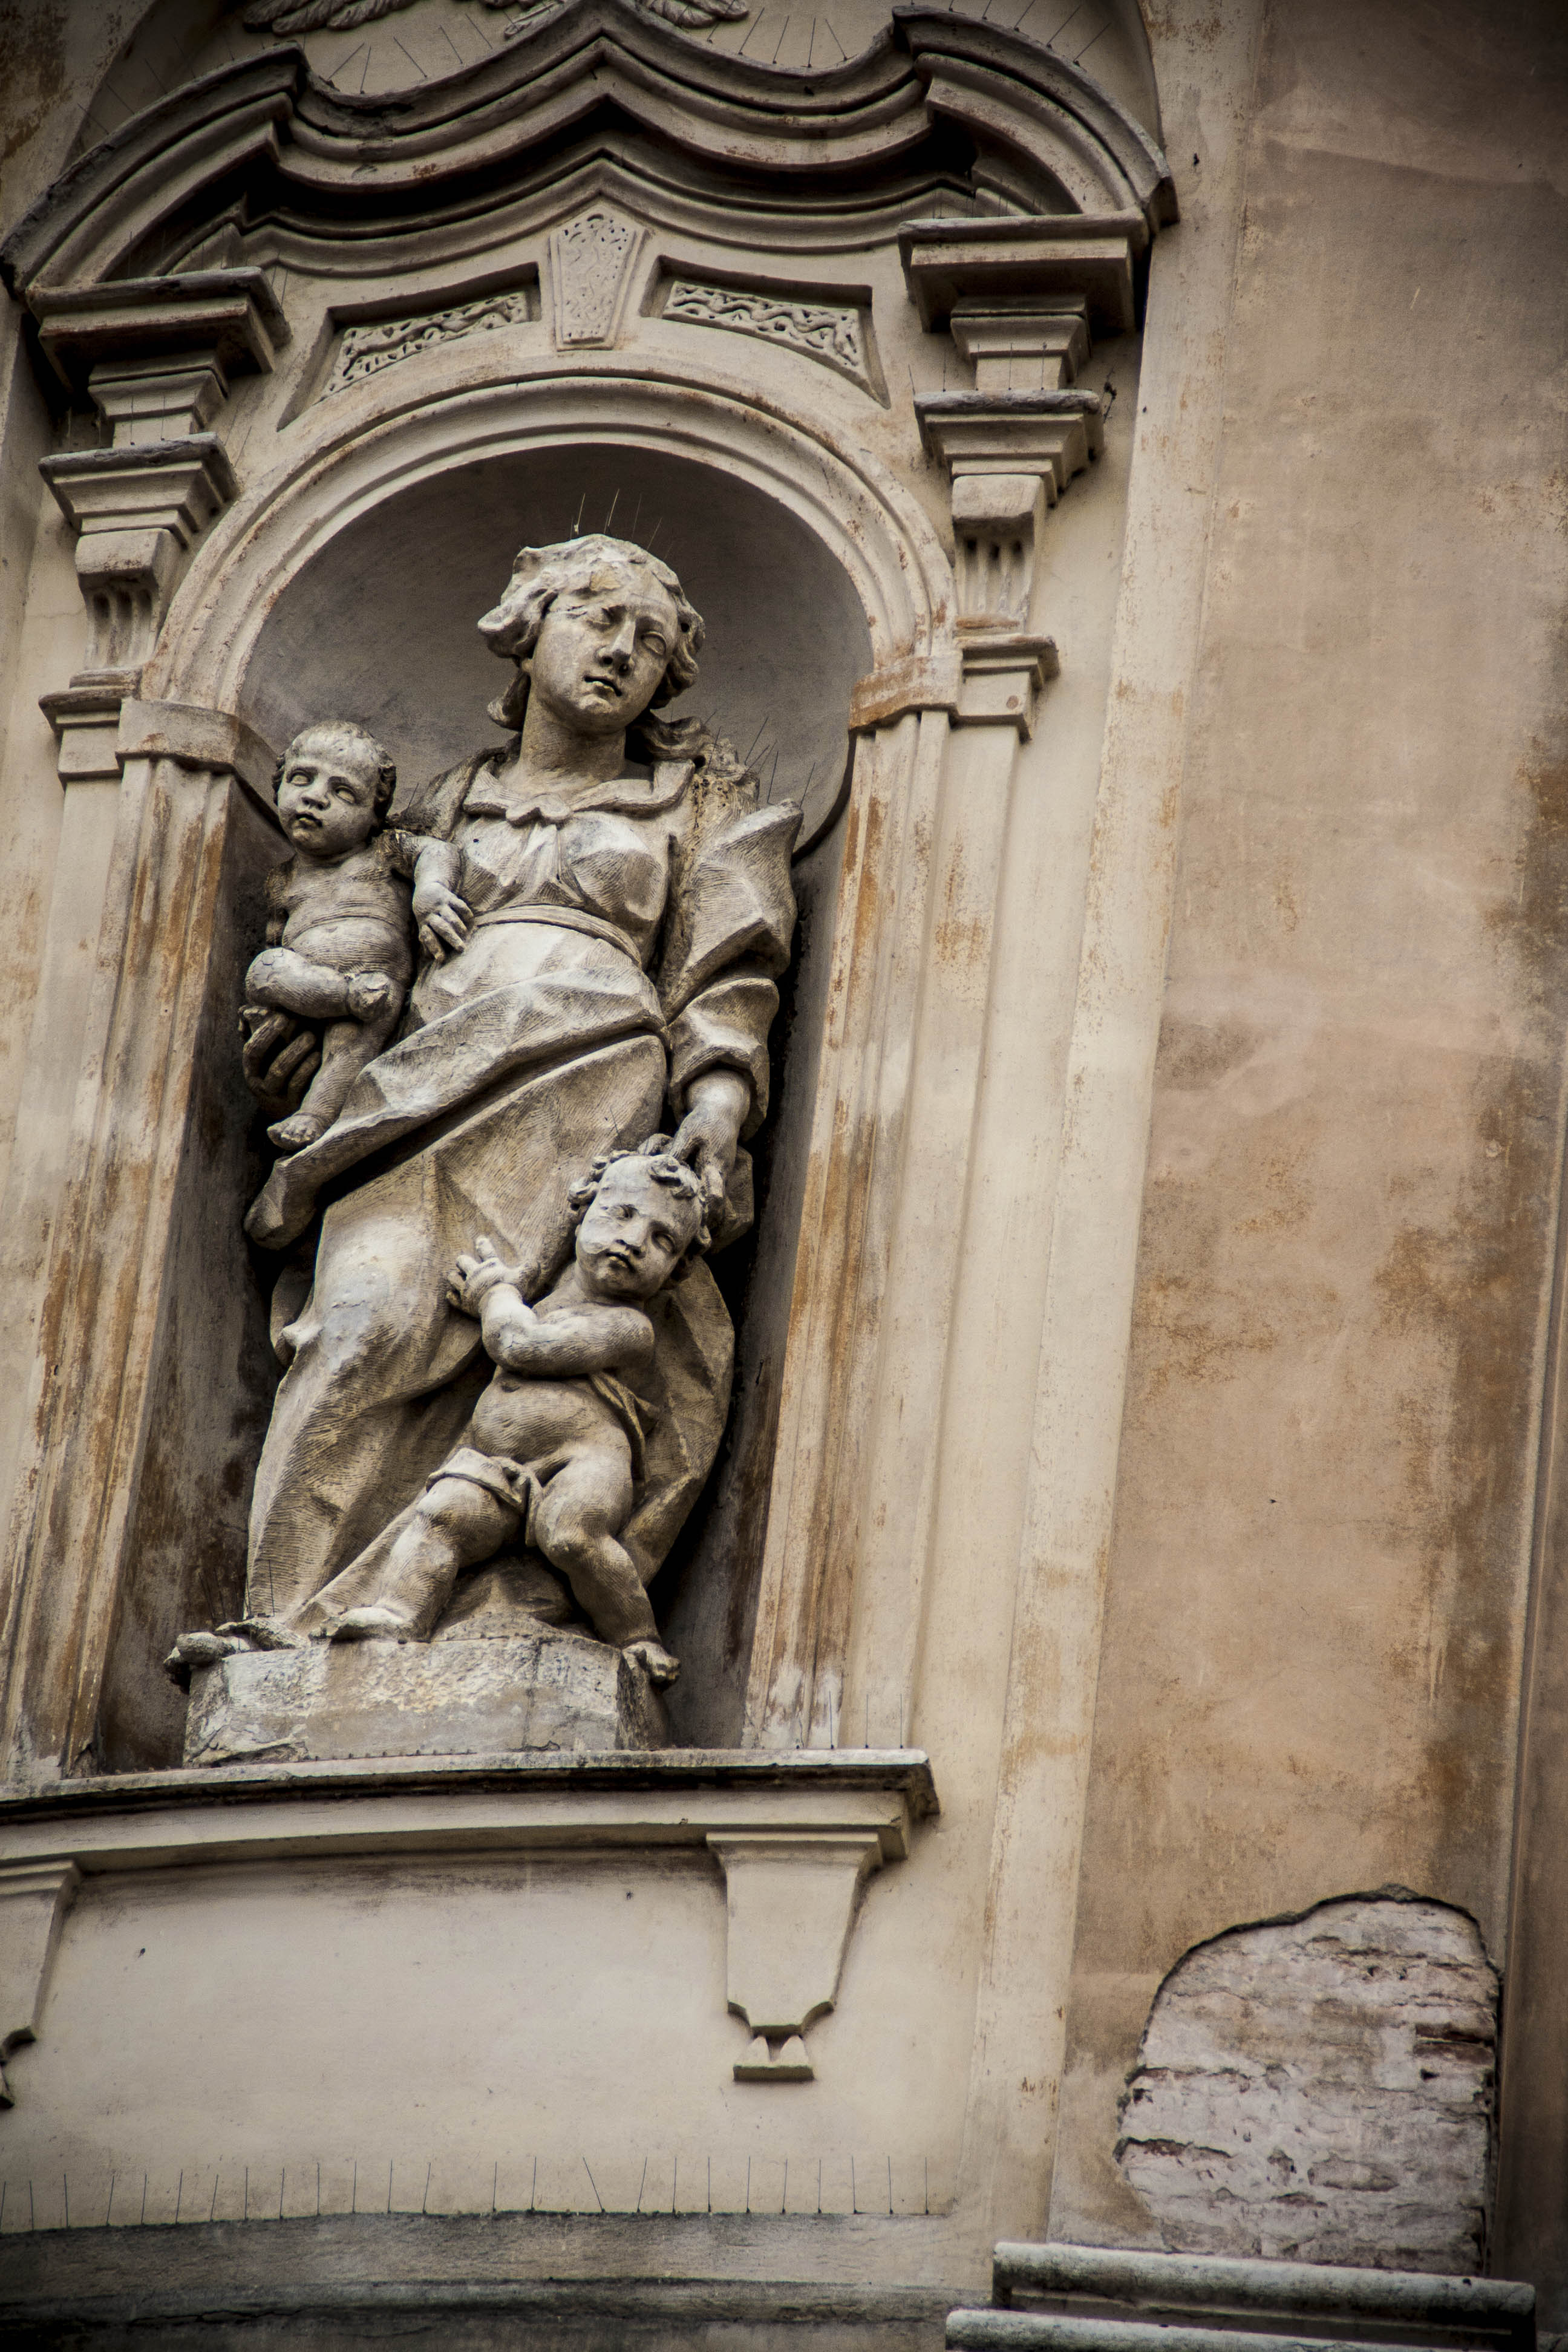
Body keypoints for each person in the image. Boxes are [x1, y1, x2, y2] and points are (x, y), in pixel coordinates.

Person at [213, 534, 797, 1647]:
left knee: (553, 1356)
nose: (620, 650)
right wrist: (301, 1023)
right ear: (527, 625)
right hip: (422, 1085)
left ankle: (488, 1608)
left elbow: (733, 969)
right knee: (360, 1323)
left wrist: (718, 1094)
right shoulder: (433, 813)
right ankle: (281, 1626)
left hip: (597, 1089)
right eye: (596, 616)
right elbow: (355, 937)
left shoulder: (701, 802)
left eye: (651, 641)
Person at [298, 1143, 710, 1685]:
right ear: (583, 1210)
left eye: (663, 1240)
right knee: (442, 1516)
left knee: (572, 1535)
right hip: (497, 1461)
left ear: (674, 1272)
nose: (634, 1241)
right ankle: (402, 1614)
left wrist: (494, 1292)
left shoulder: (630, 1328)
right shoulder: (543, 1294)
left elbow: (521, 1345)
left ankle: (637, 1636)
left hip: (584, 1458)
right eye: (622, 1213)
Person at [240, 721, 411, 1154]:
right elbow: (276, 940)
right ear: (278, 784)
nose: (316, 796)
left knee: (351, 1048)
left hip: (377, 984)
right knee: (265, 968)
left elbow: (438, 853)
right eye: (302, 778)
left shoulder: (387, 849)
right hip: (319, 989)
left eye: (344, 792)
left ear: (375, 814)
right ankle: (343, 995)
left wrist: (431, 892)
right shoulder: (281, 881)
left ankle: (316, 1115)